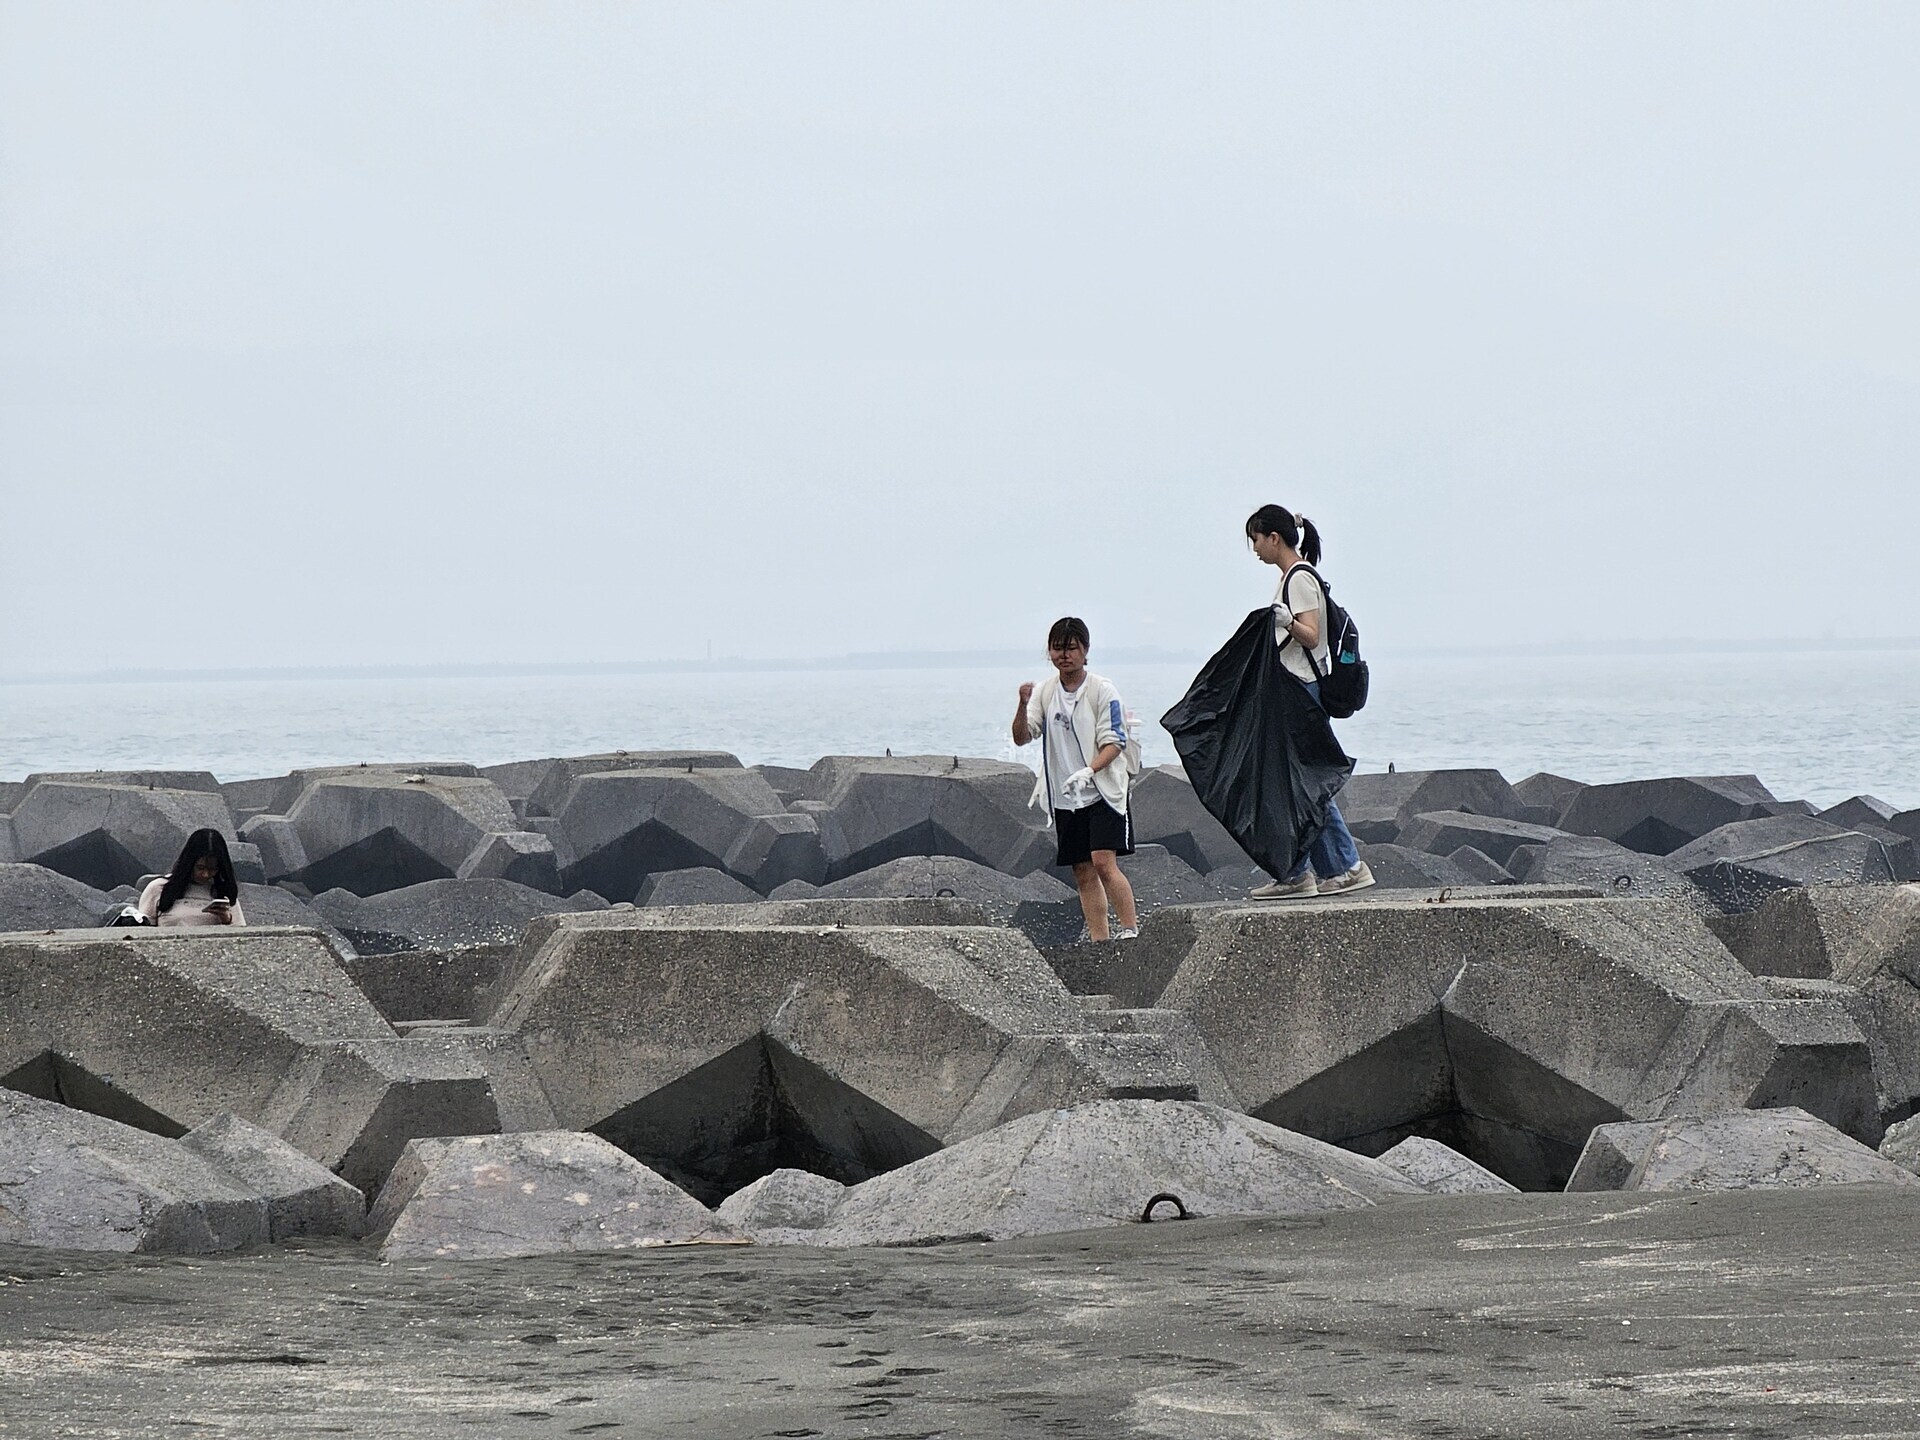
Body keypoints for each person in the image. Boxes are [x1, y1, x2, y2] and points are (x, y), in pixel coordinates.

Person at [1245, 504, 1374, 899]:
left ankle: (1346, 866)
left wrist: (1285, 622)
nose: (1253, 549)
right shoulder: (1294, 576)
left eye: (1255, 539)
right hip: (1297, 692)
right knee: (1295, 786)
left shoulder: (1298, 578)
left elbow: (1312, 636)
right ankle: (1301, 872)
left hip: (1302, 692)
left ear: (1274, 537)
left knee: (1307, 785)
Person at [1012, 617, 1140, 941]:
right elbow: (1023, 736)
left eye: (1071, 648)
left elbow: (1115, 741)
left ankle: (1130, 930)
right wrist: (1023, 704)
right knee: (1082, 870)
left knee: (1102, 862)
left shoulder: (1102, 690)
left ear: (1085, 650)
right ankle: (1100, 939)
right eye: (1057, 649)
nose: (1063, 655)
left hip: (1103, 790)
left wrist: (1090, 770)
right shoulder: (1046, 692)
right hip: (1066, 796)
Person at [138, 828, 248, 927]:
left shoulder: (224, 892)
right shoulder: (158, 888)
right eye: (200, 867)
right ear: (189, 863)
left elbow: (243, 939)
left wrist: (227, 920)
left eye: (212, 869)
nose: (205, 874)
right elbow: (140, 933)